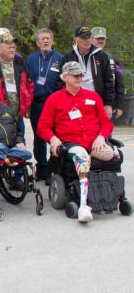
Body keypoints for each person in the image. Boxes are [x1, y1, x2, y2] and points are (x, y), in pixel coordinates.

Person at [37, 62, 115, 223]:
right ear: (65, 77)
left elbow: (106, 123)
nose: (80, 78)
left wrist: (101, 136)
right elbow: (43, 127)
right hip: (71, 143)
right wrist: (53, 139)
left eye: (81, 75)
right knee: (81, 157)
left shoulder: (92, 97)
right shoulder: (54, 99)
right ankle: (84, 206)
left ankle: (105, 190)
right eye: (75, 75)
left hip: (94, 142)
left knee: (112, 154)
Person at [25, 29, 63, 182]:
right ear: (37, 42)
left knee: (55, 136)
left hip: (54, 103)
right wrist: (27, 105)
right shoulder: (31, 59)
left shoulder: (60, 58)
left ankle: (54, 168)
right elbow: (26, 82)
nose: (45, 41)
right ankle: (42, 169)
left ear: (52, 40)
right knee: (39, 137)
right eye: (42, 39)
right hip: (37, 104)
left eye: (48, 38)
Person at [62, 26, 114, 119]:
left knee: (102, 130)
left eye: (89, 37)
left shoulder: (101, 55)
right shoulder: (68, 57)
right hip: (75, 102)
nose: (87, 40)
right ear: (75, 39)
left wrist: (108, 104)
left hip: (97, 101)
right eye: (83, 38)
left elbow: (108, 81)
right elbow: (62, 81)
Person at [91, 27, 126, 119]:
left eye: (103, 39)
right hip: (89, 103)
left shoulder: (113, 59)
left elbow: (119, 83)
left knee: (106, 132)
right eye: (98, 38)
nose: (101, 41)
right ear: (91, 39)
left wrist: (120, 105)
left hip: (107, 103)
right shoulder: (85, 58)